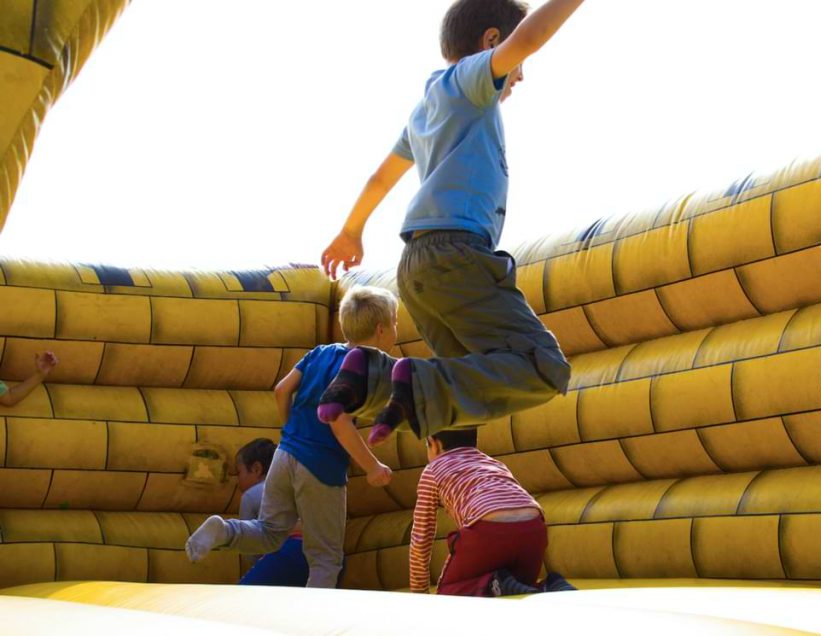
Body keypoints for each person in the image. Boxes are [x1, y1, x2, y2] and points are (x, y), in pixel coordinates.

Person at [317, 0, 584, 447]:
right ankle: (403, 382)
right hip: (456, 256)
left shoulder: (427, 110)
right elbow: (531, 37)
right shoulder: (469, 83)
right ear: (492, 42)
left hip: (417, 268)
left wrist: (351, 230)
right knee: (542, 367)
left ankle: (377, 383)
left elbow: (381, 176)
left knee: (461, 393)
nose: (520, 75)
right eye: (518, 65)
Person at [185, 286, 398, 588]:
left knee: (270, 532)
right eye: (395, 322)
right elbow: (338, 420)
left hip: (285, 454)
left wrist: (291, 433)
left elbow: (281, 390)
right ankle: (315, 625)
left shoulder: (320, 353)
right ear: (380, 329)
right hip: (321, 465)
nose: (397, 330)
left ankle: (224, 531)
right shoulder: (363, 367)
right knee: (325, 557)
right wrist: (372, 466)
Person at [409, 427, 575, 596]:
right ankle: (551, 585)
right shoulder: (494, 464)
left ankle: (494, 584)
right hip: (534, 529)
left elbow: (421, 537)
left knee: (449, 594)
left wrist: (419, 593)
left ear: (434, 444)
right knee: (519, 587)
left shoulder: (433, 470)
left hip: (487, 530)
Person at [234, 438, 310, 587]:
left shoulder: (250, 495)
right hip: (322, 555)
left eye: (239, 472)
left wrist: (257, 571)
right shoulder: (297, 486)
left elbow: (250, 546)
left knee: (242, 596)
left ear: (256, 469)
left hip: (288, 551)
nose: (237, 481)